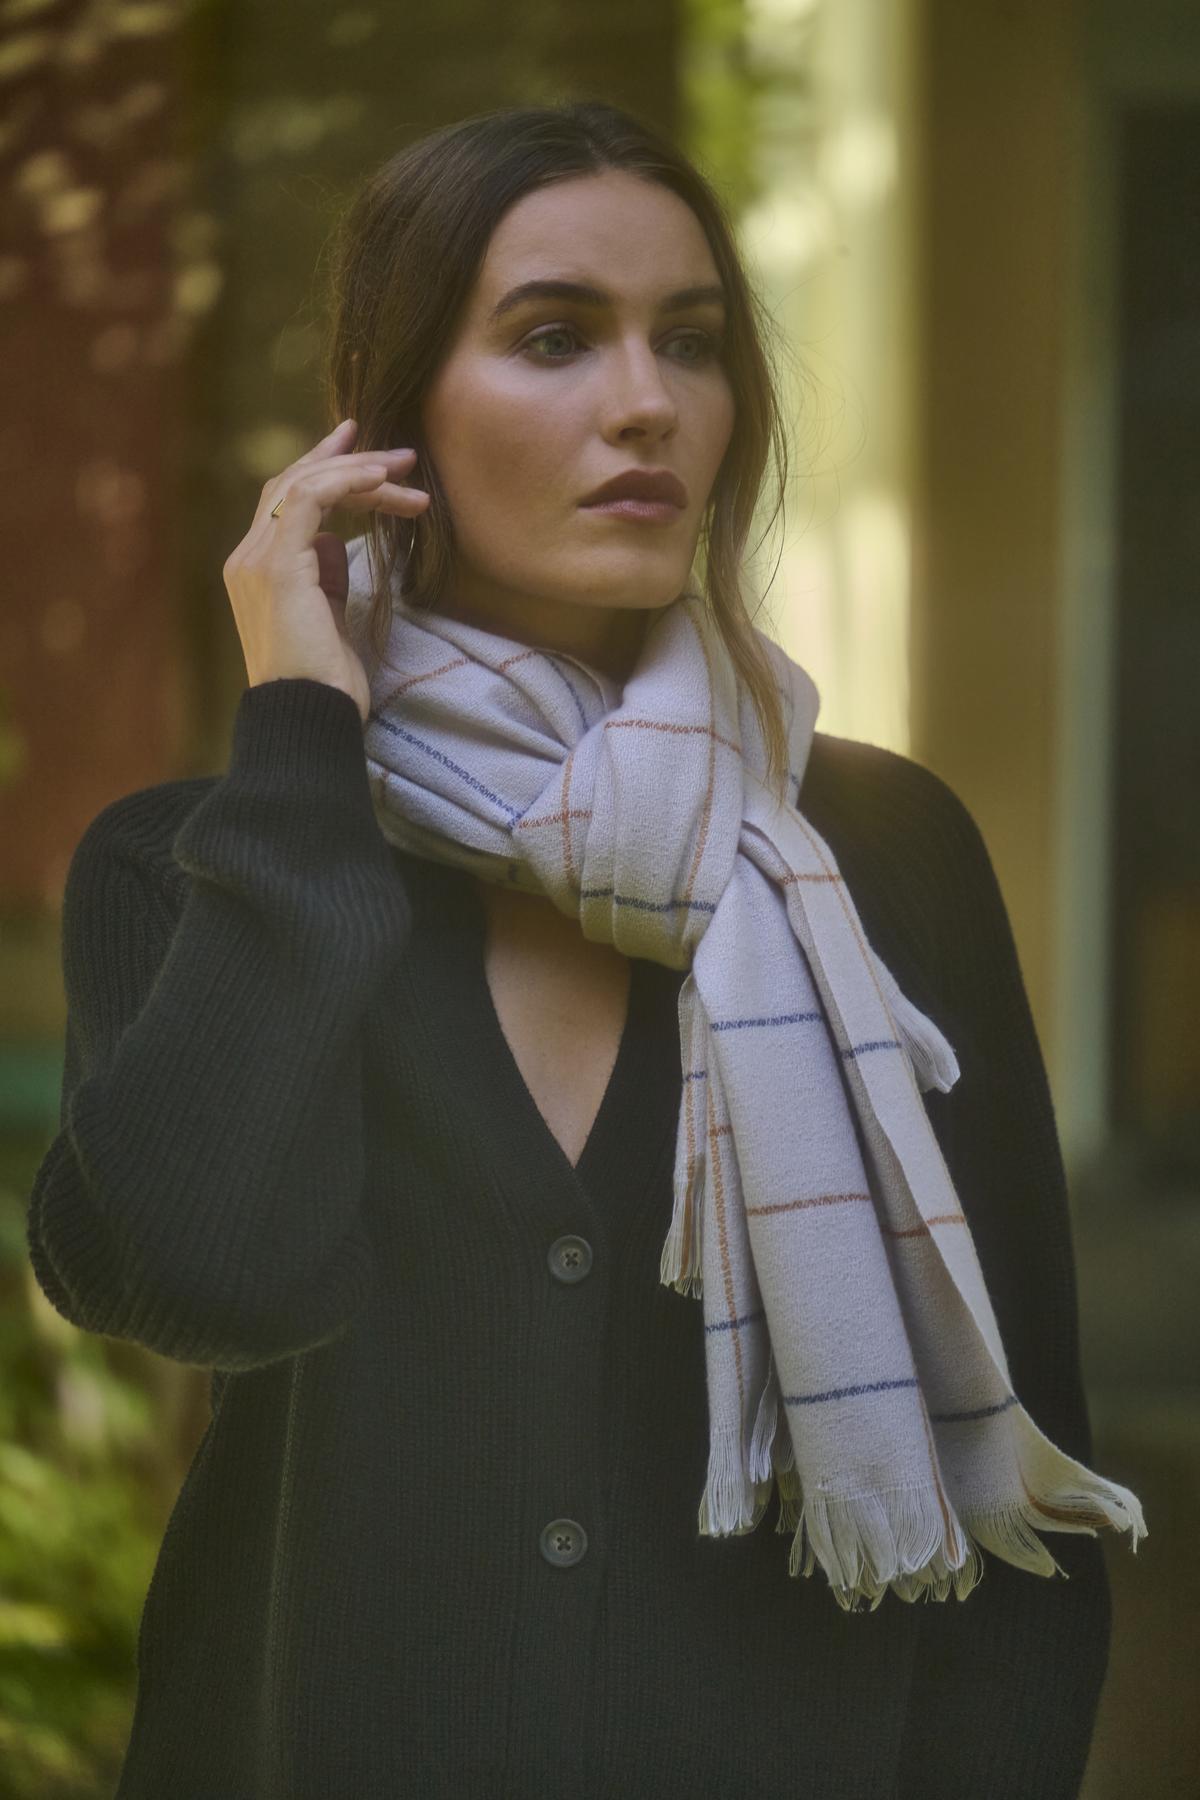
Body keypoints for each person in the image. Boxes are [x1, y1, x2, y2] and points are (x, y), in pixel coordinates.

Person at [26, 99, 1143, 1799]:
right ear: (392, 418)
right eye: (555, 337)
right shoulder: (201, 865)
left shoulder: (882, 854)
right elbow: (199, 1283)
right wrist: (301, 750)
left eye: (688, 344)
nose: (646, 404)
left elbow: (1022, 1509)